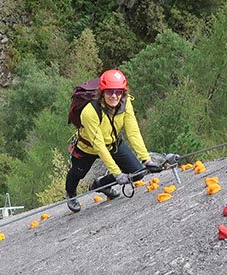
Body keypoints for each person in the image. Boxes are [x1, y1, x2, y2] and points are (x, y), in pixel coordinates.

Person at [65, 69, 160, 213]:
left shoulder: (125, 103)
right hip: (87, 147)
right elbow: (99, 146)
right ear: (102, 92)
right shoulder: (89, 112)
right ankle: (71, 194)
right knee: (78, 174)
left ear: (123, 92)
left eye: (118, 92)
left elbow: (133, 132)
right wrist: (117, 173)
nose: (114, 96)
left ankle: (100, 184)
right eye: (109, 92)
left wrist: (146, 159)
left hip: (113, 143)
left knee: (137, 173)